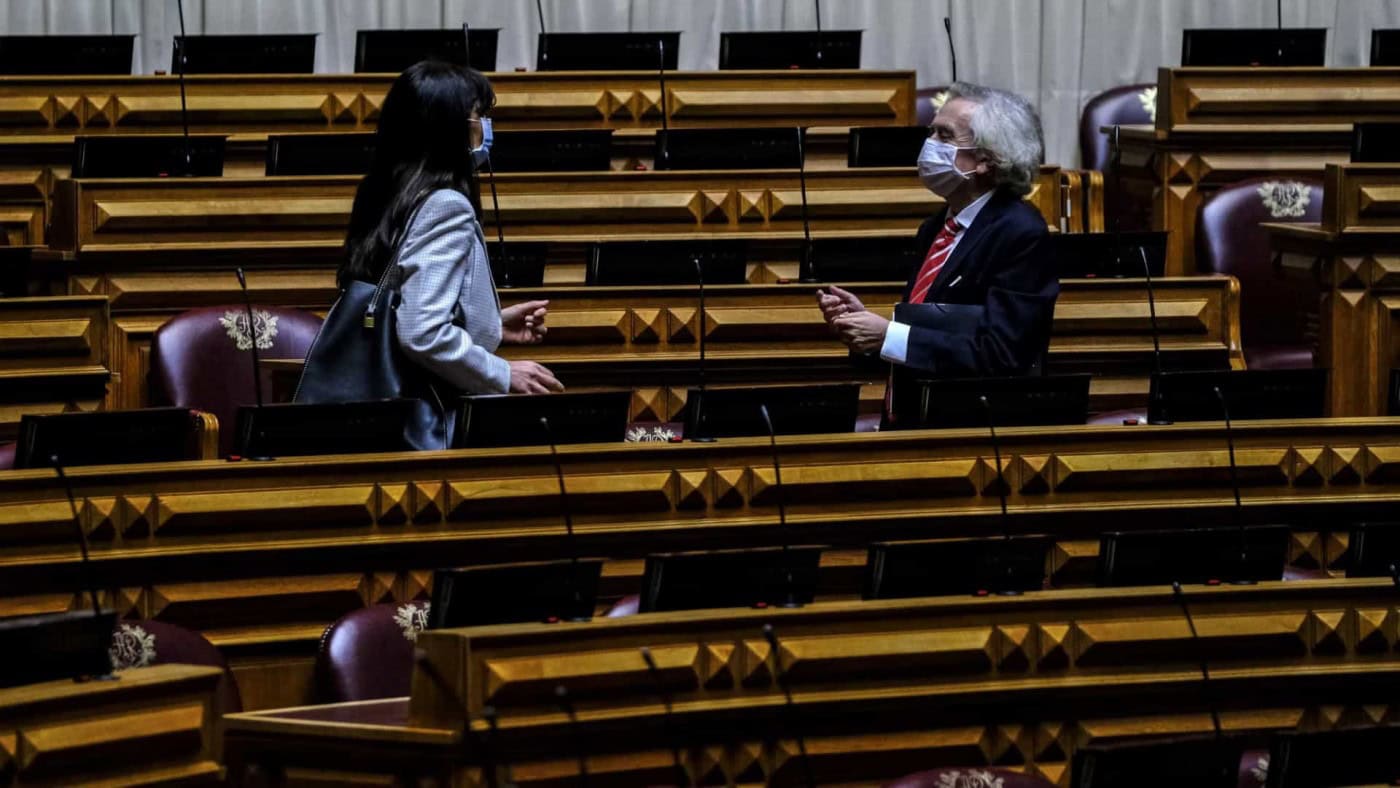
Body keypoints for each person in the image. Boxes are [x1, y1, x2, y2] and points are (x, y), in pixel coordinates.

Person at [337, 61, 564, 437]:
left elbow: (394, 305)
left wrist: (491, 323)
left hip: (382, 410)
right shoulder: (446, 205)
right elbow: (422, 332)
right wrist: (504, 373)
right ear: (448, 127)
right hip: (435, 420)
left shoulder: (383, 192)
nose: (485, 127)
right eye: (478, 115)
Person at [817, 81, 1058, 428]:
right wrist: (863, 332)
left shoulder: (1020, 233)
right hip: (913, 421)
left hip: (971, 437)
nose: (929, 145)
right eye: (931, 132)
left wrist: (888, 335)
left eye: (945, 136)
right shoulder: (935, 228)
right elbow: (927, 338)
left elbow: (1002, 355)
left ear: (986, 161)